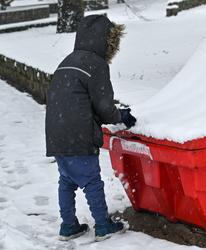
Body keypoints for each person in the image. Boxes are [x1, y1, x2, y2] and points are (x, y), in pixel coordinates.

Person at [45, 15, 136, 241]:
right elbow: (104, 106)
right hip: (79, 134)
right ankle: (103, 226)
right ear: (107, 42)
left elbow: (70, 98)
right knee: (91, 181)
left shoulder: (68, 60)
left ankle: (68, 226)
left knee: (66, 181)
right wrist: (121, 116)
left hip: (56, 133)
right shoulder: (96, 64)